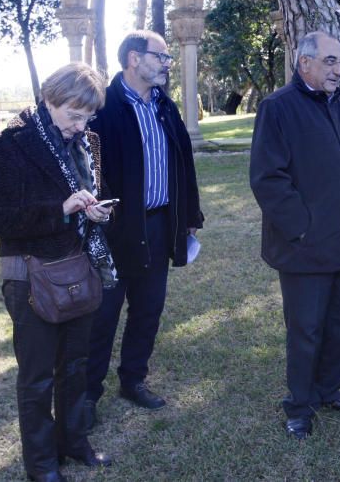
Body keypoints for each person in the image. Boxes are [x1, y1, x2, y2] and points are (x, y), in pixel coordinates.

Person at [0, 62, 117, 482]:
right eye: (73, 115)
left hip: (80, 267)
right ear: (48, 99)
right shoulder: (9, 146)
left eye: (87, 116)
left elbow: (92, 192)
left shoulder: (87, 142)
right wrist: (60, 210)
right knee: (38, 376)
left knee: (76, 365)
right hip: (31, 276)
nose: (80, 126)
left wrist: (94, 210)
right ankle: (41, 465)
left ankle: (73, 442)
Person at [249, 30, 340, 440]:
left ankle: (329, 391)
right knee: (306, 329)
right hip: (305, 247)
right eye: (329, 61)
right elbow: (268, 179)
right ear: (303, 63)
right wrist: (301, 228)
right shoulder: (278, 108)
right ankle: (300, 405)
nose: (337, 70)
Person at [85, 30, 204, 424]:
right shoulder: (103, 106)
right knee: (104, 314)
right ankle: (87, 395)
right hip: (115, 229)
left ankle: (133, 380)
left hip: (158, 226)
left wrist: (188, 218)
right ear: (134, 59)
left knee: (148, 309)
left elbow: (183, 163)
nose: (167, 63)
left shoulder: (164, 107)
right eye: (161, 56)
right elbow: (85, 169)